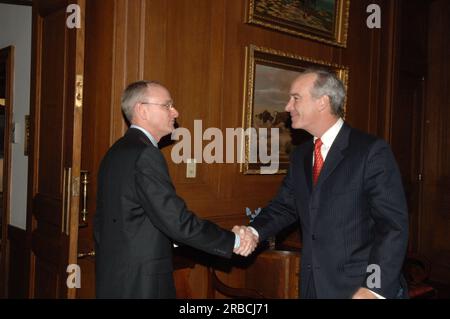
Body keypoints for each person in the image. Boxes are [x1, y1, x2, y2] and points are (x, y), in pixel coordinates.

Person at [235, 68, 409, 299]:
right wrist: (253, 231)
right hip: (313, 286)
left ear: (322, 102)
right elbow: (285, 206)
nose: (287, 106)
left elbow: (392, 227)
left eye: (295, 98)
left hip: (359, 289)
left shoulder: (370, 151)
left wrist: (374, 288)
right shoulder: (302, 155)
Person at [94, 81, 256, 298]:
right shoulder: (145, 154)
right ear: (142, 110)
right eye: (167, 105)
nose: (175, 112)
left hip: (115, 277)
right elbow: (176, 222)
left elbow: (109, 223)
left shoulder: (115, 151)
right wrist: (233, 240)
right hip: (142, 284)